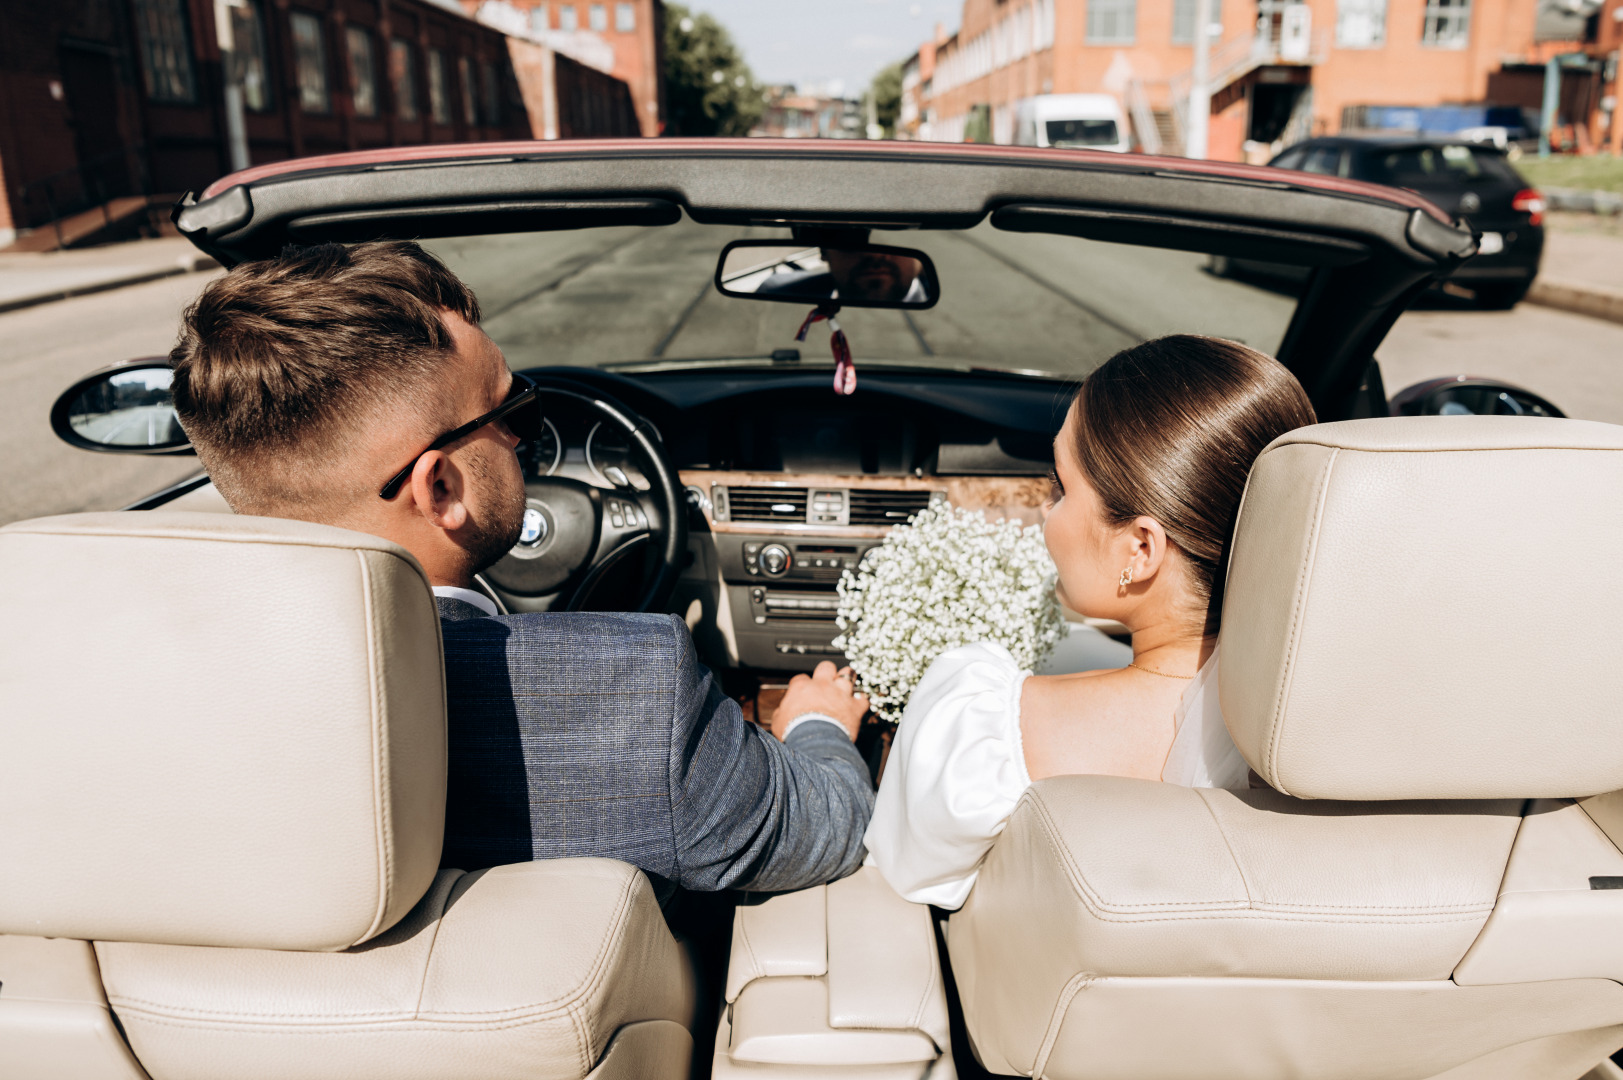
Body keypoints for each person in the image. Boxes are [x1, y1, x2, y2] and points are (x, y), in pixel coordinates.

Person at [168, 240, 873, 901]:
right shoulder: (630, 692)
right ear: (440, 489)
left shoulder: (148, 685)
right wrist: (817, 727)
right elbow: (829, 829)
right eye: (511, 410)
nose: (519, 437)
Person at [859, 335, 1317, 909]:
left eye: (1061, 488)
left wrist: (820, 730)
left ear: (1140, 549)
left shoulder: (982, 730)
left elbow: (888, 885)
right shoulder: (1353, 754)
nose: (1046, 515)